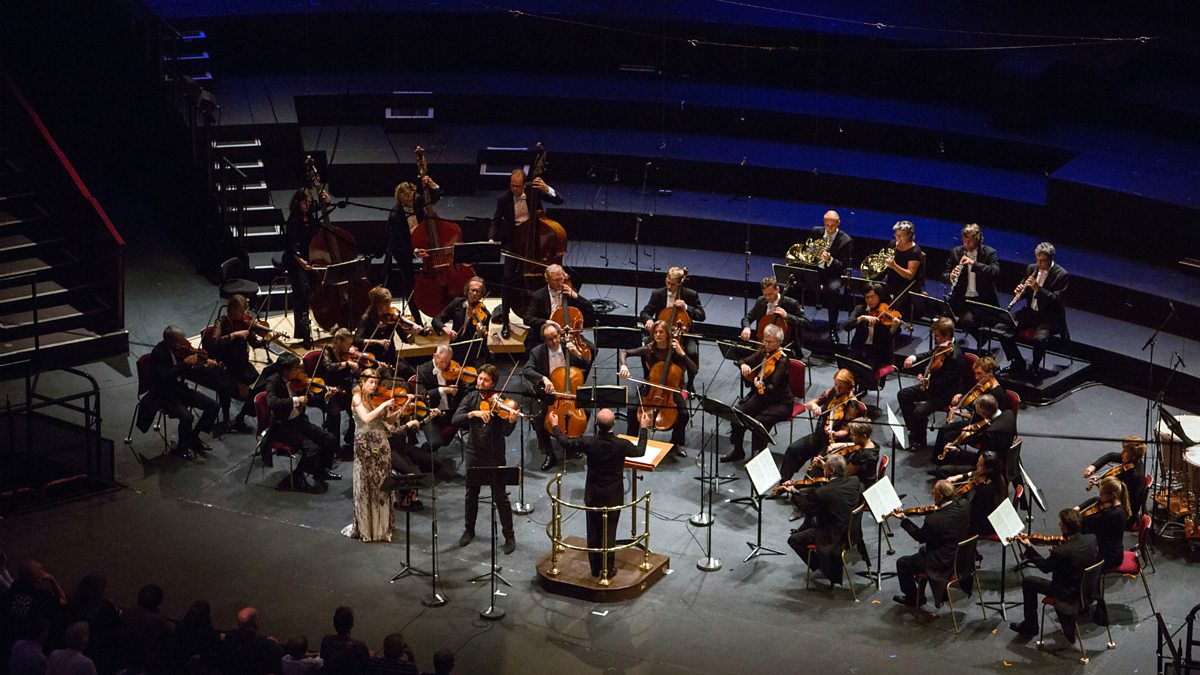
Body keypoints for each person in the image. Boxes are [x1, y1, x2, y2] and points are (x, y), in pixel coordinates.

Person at [550, 408, 650, 578]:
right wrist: (644, 427)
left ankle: (595, 569)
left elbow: (566, 443)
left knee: (594, 531)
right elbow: (640, 451)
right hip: (613, 495)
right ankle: (607, 570)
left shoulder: (589, 442)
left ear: (596, 424)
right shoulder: (621, 444)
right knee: (609, 533)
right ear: (614, 424)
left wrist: (555, 426)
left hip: (593, 494)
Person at [489, 168, 565, 337]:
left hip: (535, 239)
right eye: (512, 185)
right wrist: (492, 239)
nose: (514, 189)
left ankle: (550, 315)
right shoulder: (504, 198)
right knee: (507, 278)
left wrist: (547, 189)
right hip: (514, 241)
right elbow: (495, 221)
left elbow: (559, 200)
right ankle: (506, 321)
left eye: (517, 186)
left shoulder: (533, 192)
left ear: (525, 185)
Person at [453, 364, 518, 554]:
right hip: (473, 452)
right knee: (471, 493)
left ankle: (509, 536)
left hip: (494, 454)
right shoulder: (471, 398)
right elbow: (455, 419)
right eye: (480, 378)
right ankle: (469, 530)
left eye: (485, 380)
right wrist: (473, 413)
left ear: (493, 383)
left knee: (500, 496)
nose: (481, 382)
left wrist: (511, 421)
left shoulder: (501, 403)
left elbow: (506, 432)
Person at [1010, 508, 1099, 641]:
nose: (1059, 525)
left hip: (1068, 593)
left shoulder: (1061, 552)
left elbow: (1045, 567)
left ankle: (1030, 625)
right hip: (1087, 588)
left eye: (1060, 523)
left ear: (1065, 528)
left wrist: (1028, 547)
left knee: (1028, 582)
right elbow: (1077, 557)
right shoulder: (1091, 538)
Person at [350, 368, 418, 542]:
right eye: (371, 382)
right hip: (365, 447)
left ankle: (381, 526)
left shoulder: (373, 400)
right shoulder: (357, 397)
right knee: (367, 485)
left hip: (381, 446)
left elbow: (388, 422)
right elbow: (366, 419)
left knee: (381, 485)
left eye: (376, 382)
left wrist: (403, 405)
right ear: (363, 382)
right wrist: (383, 405)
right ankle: (367, 528)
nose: (374, 385)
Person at [774, 369, 865, 485]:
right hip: (818, 436)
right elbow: (810, 403)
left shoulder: (851, 406)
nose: (837, 389)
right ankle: (784, 483)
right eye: (836, 384)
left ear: (849, 387)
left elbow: (845, 431)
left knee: (814, 467)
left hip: (832, 443)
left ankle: (803, 491)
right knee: (793, 449)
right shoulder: (832, 392)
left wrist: (834, 433)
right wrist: (815, 406)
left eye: (841, 387)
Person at [618, 320, 697, 454]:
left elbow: (694, 370)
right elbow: (624, 352)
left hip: (671, 389)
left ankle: (677, 443)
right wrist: (624, 365)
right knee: (632, 409)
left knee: (684, 414)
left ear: (667, 334)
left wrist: (682, 353)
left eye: (661, 332)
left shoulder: (676, 350)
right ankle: (631, 440)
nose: (658, 335)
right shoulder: (650, 349)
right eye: (655, 332)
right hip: (652, 387)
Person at [522, 322, 591, 471]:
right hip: (548, 393)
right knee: (538, 418)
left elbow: (586, 365)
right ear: (544, 340)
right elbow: (526, 370)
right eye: (549, 339)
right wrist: (543, 378)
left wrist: (578, 353)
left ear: (560, 335)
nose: (554, 341)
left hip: (568, 392)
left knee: (586, 411)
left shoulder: (568, 348)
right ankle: (549, 453)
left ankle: (574, 443)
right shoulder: (537, 352)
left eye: (556, 337)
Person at [264, 359, 342, 492]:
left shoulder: (297, 382)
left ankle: (320, 470)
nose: (299, 372)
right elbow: (272, 402)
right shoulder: (273, 381)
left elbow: (310, 400)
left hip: (300, 422)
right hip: (283, 427)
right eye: (296, 368)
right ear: (286, 370)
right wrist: (296, 400)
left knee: (329, 439)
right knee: (312, 449)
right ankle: (295, 478)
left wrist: (326, 396)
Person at [890, 479, 971, 608]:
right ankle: (919, 593)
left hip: (941, 562)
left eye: (934, 493)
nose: (932, 496)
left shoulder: (934, 519)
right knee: (922, 552)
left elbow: (920, 537)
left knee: (903, 563)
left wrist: (904, 519)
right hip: (960, 558)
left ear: (940, 497)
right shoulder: (964, 506)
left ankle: (914, 598)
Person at [144, 325, 221, 459]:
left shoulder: (179, 351)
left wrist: (202, 365)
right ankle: (182, 447)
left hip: (180, 389)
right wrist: (184, 364)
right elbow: (164, 376)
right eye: (180, 342)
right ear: (170, 341)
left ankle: (194, 437)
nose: (183, 345)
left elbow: (187, 371)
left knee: (213, 406)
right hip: (164, 394)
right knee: (187, 417)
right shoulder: (158, 353)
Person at [786, 455, 863, 586]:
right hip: (851, 530)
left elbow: (807, 509)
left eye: (826, 467)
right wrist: (825, 466)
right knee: (812, 521)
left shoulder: (823, 492)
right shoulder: (854, 481)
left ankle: (822, 566)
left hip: (832, 535)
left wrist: (793, 492)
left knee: (794, 540)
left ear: (831, 471)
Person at [999, 241, 1070, 380]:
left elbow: (1057, 301)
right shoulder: (1031, 268)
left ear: (1051, 258)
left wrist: (1038, 289)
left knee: (1040, 339)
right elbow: (1026, 291)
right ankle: (1017, 361)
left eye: (1043, 261)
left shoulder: (1061, 275)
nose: (1039, 264)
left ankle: (1035, 367)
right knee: (1001, 328)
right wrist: (1020, 291)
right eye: (1037, 260)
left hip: (1049, 317)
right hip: (1030, 313)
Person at [722, 324, 792, 463]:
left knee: (759, 423)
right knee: (737, 413)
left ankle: (759, 456)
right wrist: (743, 365)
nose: (767, 344)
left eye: (771, 342)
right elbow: (742, 360)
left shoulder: (783, 360)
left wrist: (759, 384)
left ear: (779, 343)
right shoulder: (764, 353)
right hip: (762, 396)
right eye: (765, 340)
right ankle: (738, 450)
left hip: (780, 402)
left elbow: (772, 386)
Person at [897, 317, 965, 452]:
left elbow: (946, 381)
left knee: (919, 412)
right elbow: (931, 354)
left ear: (947, 335)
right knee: (903, 395)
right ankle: (913, 429)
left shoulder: (955, 356)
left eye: (937, 336)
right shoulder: (943, 346)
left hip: (945, 394)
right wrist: (914, 357)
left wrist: (927, 379)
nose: (935, 338)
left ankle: (920, 440)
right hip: (932, 386)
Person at [205, 293, 268, 434]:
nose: (244, 315)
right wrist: (235, 335)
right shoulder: (221, 322)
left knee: (260, 385)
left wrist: (267, 340)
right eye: (241, 311)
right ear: (231, 309)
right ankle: (226, 419)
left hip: (241, 363)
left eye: (245, 311)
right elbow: (215, 341)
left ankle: (241, 417)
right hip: (225, 364)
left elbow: (255, 343)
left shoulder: (245, 323)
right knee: (225, 386)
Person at [383, 175, 441, 321]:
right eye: (407, 199)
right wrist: (413, 252)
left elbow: (433, 199)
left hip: (422, 245)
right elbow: (396, 240)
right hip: (405, 250)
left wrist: (432, 185)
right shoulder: (395, 215)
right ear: (401, 199)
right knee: (410, 283)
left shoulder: (417, 201)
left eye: (412, 197)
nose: (411, 201)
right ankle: (417, 320)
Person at [639, 266, 705, 389]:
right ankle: (648, 379)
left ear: (680, 284)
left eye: (672, 284)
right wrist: (648, 319)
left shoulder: (690, 295)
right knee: (645, 350)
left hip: (683, 334)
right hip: (661, 333)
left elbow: (701, 315)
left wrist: (686, 307)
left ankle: (690, 384)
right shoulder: (658, 294)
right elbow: (645, 312)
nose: (669, 286)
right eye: (667, 282)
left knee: (692, 352)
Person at [521, 264, 596, 367]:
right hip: (545, 336)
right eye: (555, 280)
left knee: (592, 349)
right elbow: (527, 318)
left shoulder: (568, 291)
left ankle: (579, 375)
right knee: (534, 354)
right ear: (547, 280)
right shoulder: (539, 296)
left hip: (567, 333)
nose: (560, 283)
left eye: (561, 279)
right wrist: (546, 322)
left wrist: (575, 296)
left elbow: (589, 308)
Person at [933, 394, 1017, 479]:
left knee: (941, 471)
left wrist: (958, 451)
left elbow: (980, 460)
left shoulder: (990, 434)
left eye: (978, 412)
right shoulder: (1009, 413)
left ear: (984, 413)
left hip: (991, 468)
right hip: (1004, 455)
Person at [933, 354, 1005, 451]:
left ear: (990, 373)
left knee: (947, 437)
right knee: (943, 429)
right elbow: (978, 415)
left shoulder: (995, 394)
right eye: (975, 373)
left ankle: (947, 456)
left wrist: (970, 427)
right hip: (975, 422)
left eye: (979, 373)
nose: (976, 377)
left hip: (982, 429)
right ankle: (937, 457)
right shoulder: (985, 387)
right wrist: (960, 413)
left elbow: (988, 421)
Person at [942, 222, 999, 342]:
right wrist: (951, 276)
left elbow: (995, 271)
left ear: (977, 240)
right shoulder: (956, 252)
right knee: (942, 321)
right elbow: (944, 275)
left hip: (980, 300)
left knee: (968, 321)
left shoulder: (989, 253)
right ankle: (946, 346)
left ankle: (982, 339)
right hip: (960, 297)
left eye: (970, 241)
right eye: (964, 240)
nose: (966, 244)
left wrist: (973, 264)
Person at [284, 187, 324, 345]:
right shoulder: (293, 220)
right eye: (305, 203)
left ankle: (322, 319)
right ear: (298, 203)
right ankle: (303, 331)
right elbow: (291, 244)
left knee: (317, 286)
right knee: (301, 291)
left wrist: (324, 196)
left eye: (310, 203)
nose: (308, 206)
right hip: (294, 259)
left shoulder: (311, 216)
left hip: (309, 257)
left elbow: (325, 204)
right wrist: (300, 260)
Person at [841, 283, 898, 391]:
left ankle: (860, 391)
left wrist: (894, 327)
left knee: (865, 373)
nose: (870, 300)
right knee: (845, 371)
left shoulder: (886, 313)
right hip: (859, 349)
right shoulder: (860, 309)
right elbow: (846, 326)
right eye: (867, 297)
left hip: (877, 353)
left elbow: (889, 338)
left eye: (873, 297)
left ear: (879, 296)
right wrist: (861, 318)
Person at [316, 328, 363, 457]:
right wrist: (346, 364)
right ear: (338, 342)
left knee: (357, 409)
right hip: (328, 390)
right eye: (347, 344)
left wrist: (356, 369)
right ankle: (334, 447)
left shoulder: (347, 354)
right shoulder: (327, 351)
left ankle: (350, 439)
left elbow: (352, 375)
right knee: (335, 414)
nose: (349, 347)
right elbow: (328, 366)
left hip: (343, 388)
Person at [807, 210, 853, 342]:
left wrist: (830, 260)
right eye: (827, 225)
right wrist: (812, 253)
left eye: (832, 226)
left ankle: (832, 328)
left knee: (833, 290)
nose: (830, 229)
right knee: (796, 279)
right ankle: (798, 323)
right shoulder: (816, 232)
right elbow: (808, 250)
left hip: (834, 275)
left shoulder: (846, 240)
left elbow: (843, 266)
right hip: (816, 270)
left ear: (838, 223)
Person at [1084, 435, 1147, 522]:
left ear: (1133, 455)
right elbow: (1110, 456)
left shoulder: (1135, 476)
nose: (1122, 453)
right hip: (1117, 502)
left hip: (1123, 514)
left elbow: (1119, 497)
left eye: (1125, 451)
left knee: (1087, 519)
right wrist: (1093, 467)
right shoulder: (1134, 460)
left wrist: (1101, 485)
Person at [431, 275, 492, 365]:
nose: (474, 293)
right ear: (467, 290)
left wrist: (479, 334)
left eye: (478, 291)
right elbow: (436, 320)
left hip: (472, 352)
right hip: (455, 347)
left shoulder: (485, 314)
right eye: (472, 290)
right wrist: (445, 328)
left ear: (481, 294)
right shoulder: (457, 303)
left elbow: (482, 342)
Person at [946, 451, 1008, 538]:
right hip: (988, 516)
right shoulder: (996, 476)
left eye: (980, 465)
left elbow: (974, 513)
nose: (977, 465)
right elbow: (975, 473)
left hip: (983, 525)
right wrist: (958, 477)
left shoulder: (985, 489)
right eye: (978, 462)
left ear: (989, 469)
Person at [740, 276, 810, 352]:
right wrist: (746, 328)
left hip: (784, 348)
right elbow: (747, 318)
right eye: (765, 294)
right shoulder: (760, 301)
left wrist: (787, 316)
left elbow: (806, 323)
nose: (767, 297)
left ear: (777, 289)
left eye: (770, 294)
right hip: (761, 346)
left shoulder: (791, 304)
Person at [1077, 476, 1130, 570]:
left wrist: (1077, 523)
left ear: (1112, 494)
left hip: (1109, 557)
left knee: (1074, 561)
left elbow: (1091, 531)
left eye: (1102, 493)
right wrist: (1079, 508)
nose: (1100, 494)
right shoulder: (1120, 504)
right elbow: (1096, 499)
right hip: (1114, 550)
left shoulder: (1112, 514)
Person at [220, 607, 284, 675]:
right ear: (256, 623)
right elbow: (280, 652)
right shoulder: (265, 644)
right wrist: (274, 643)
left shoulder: (230, 635)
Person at [880, 220, 923, 317]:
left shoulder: (915, 251)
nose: (898, 237)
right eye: (896, 234)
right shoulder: (892, 244)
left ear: (909, 235)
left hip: (907, 285)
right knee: (875, 290)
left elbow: (910, 275)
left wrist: (894, 266)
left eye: (901, 235)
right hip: (892, 280)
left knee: (896, 306)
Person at [319, 607, 370, 675]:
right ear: (352, 624)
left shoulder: (327, 641)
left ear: (334, 624)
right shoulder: (360, 647)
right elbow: (366, 669)